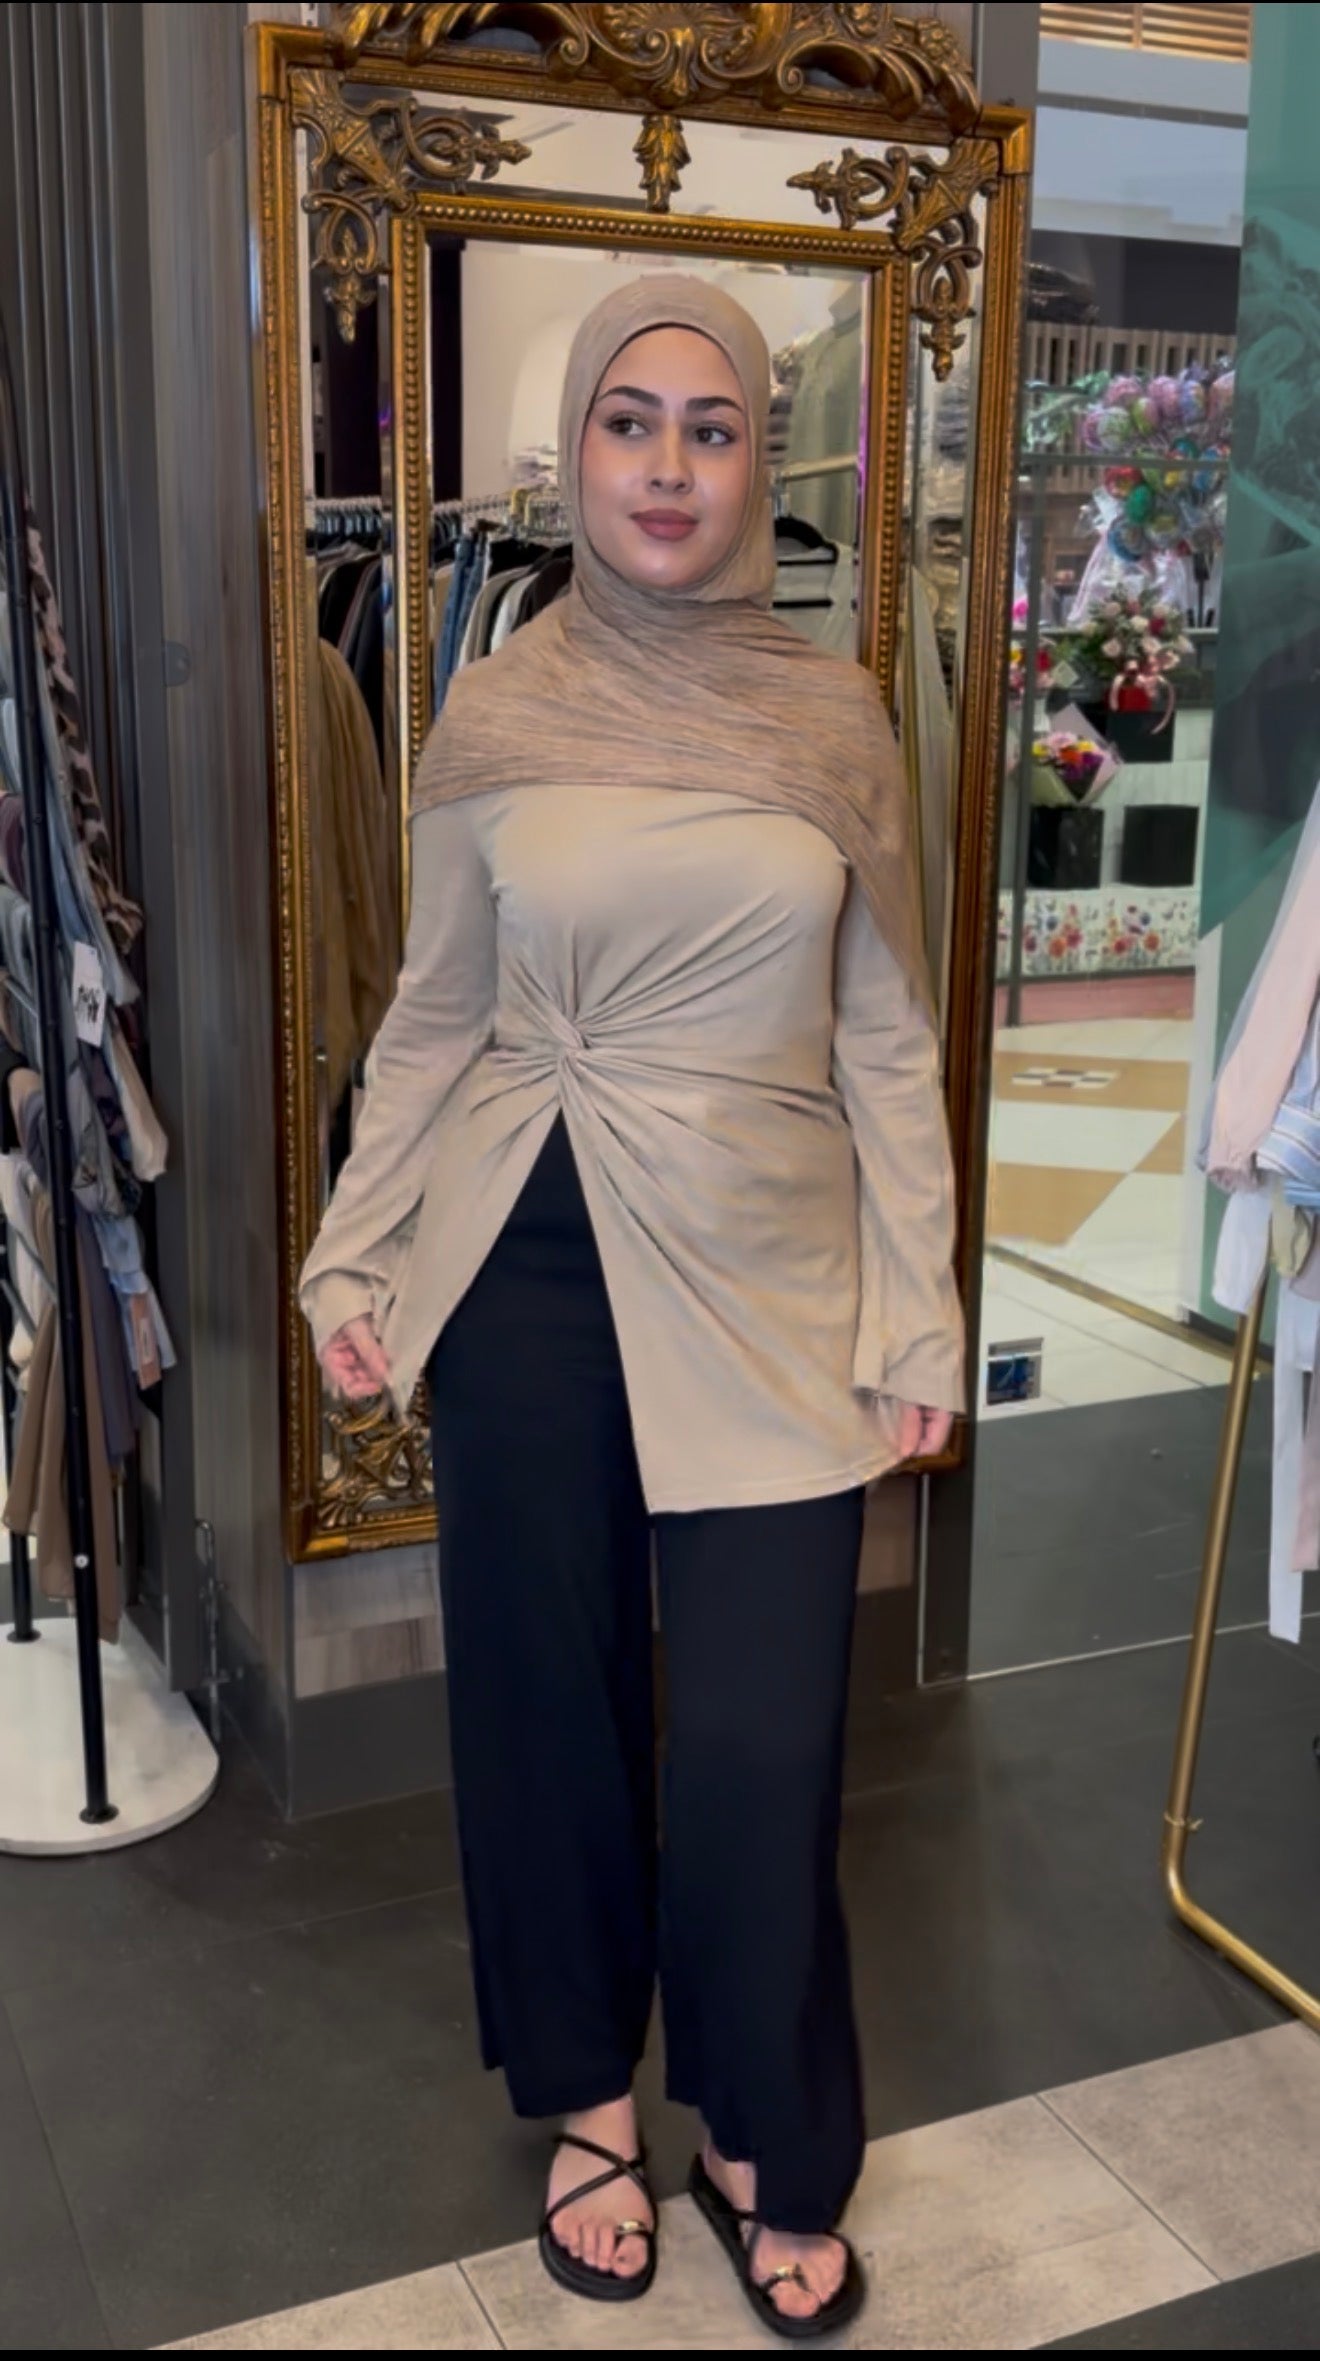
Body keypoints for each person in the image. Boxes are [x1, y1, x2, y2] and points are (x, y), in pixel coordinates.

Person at [302, 275, 962, 2339]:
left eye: (712, 427)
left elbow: (888, 1041)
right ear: (575, 451)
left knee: (766, 1725)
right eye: (629, 422)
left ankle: (765, 2120)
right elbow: (434, 1016)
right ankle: (592, 2095)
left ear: (761, 460)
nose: (668, 467)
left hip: (769, 1260)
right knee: (544, 1700)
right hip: (530, 1243)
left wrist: (921, 1307)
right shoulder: (493, 711)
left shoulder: (835, 719)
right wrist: (354, 1247)